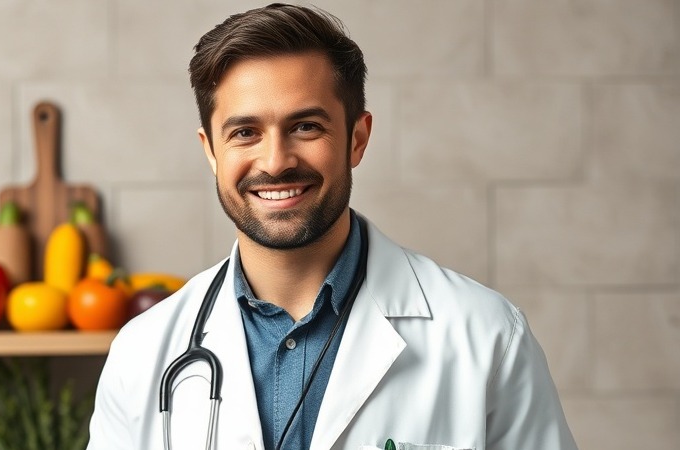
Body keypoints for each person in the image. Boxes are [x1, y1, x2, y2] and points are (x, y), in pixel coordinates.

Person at [87, 3, 578, 450]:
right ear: (211, 151)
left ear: (358, 138)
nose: (275, 161)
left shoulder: (487, 337)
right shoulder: (142, 354)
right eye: (245, 133)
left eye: (306, 126)